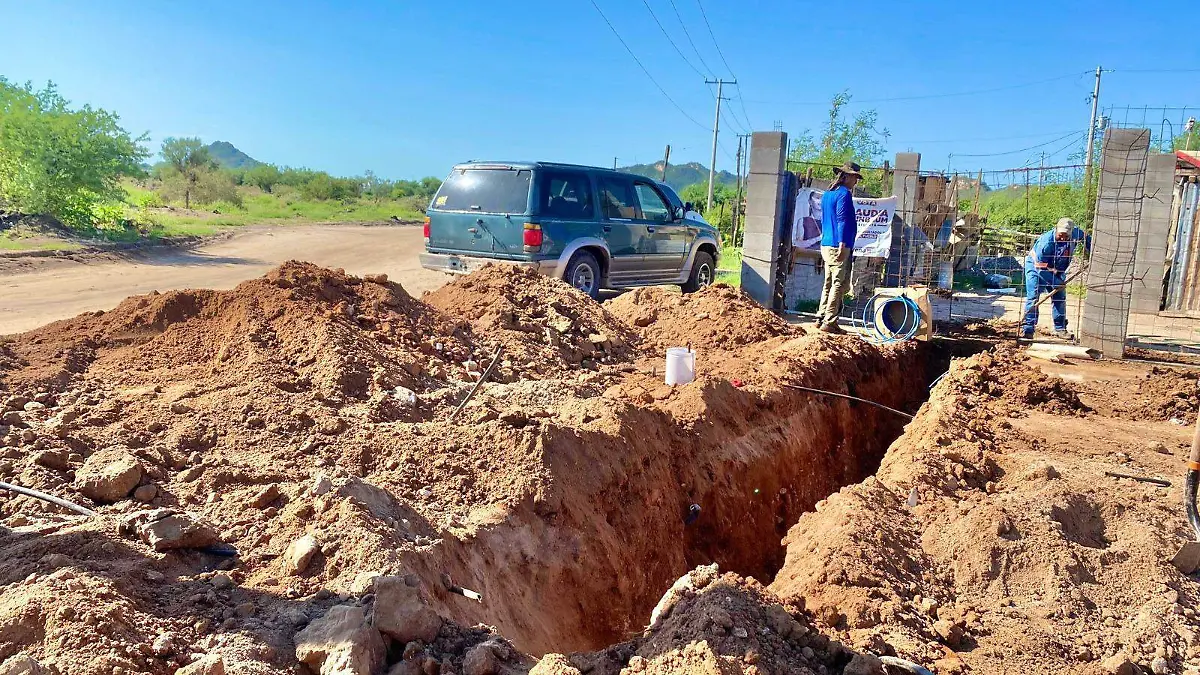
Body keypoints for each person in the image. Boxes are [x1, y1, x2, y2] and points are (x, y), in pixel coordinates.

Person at [1021, 217, 1091, 340]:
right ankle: (1028, 329)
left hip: (1058, 269)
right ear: (1056, 229)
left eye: (1066, 236)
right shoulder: (1046, 243)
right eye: (1061, 235)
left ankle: (1060, 328)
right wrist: (1056, 282)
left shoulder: (1075, 233)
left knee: (1060, 298)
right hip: (1037, 268)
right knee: (1033, 297)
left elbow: (1088, 239)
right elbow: (1041, 268)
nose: (1063, 238)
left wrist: (1094, 252)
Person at [816, 161, 862, 333]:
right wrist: (843, 243)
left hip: (827, 243)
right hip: (838, 244)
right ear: (847, 176)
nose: (856, 182)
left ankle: (821, 316)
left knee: (828, 282)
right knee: (838, 283)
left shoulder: (828, 194)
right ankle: (830, 321)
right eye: (855, 177)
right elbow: (842, 219)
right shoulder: (844, 194)